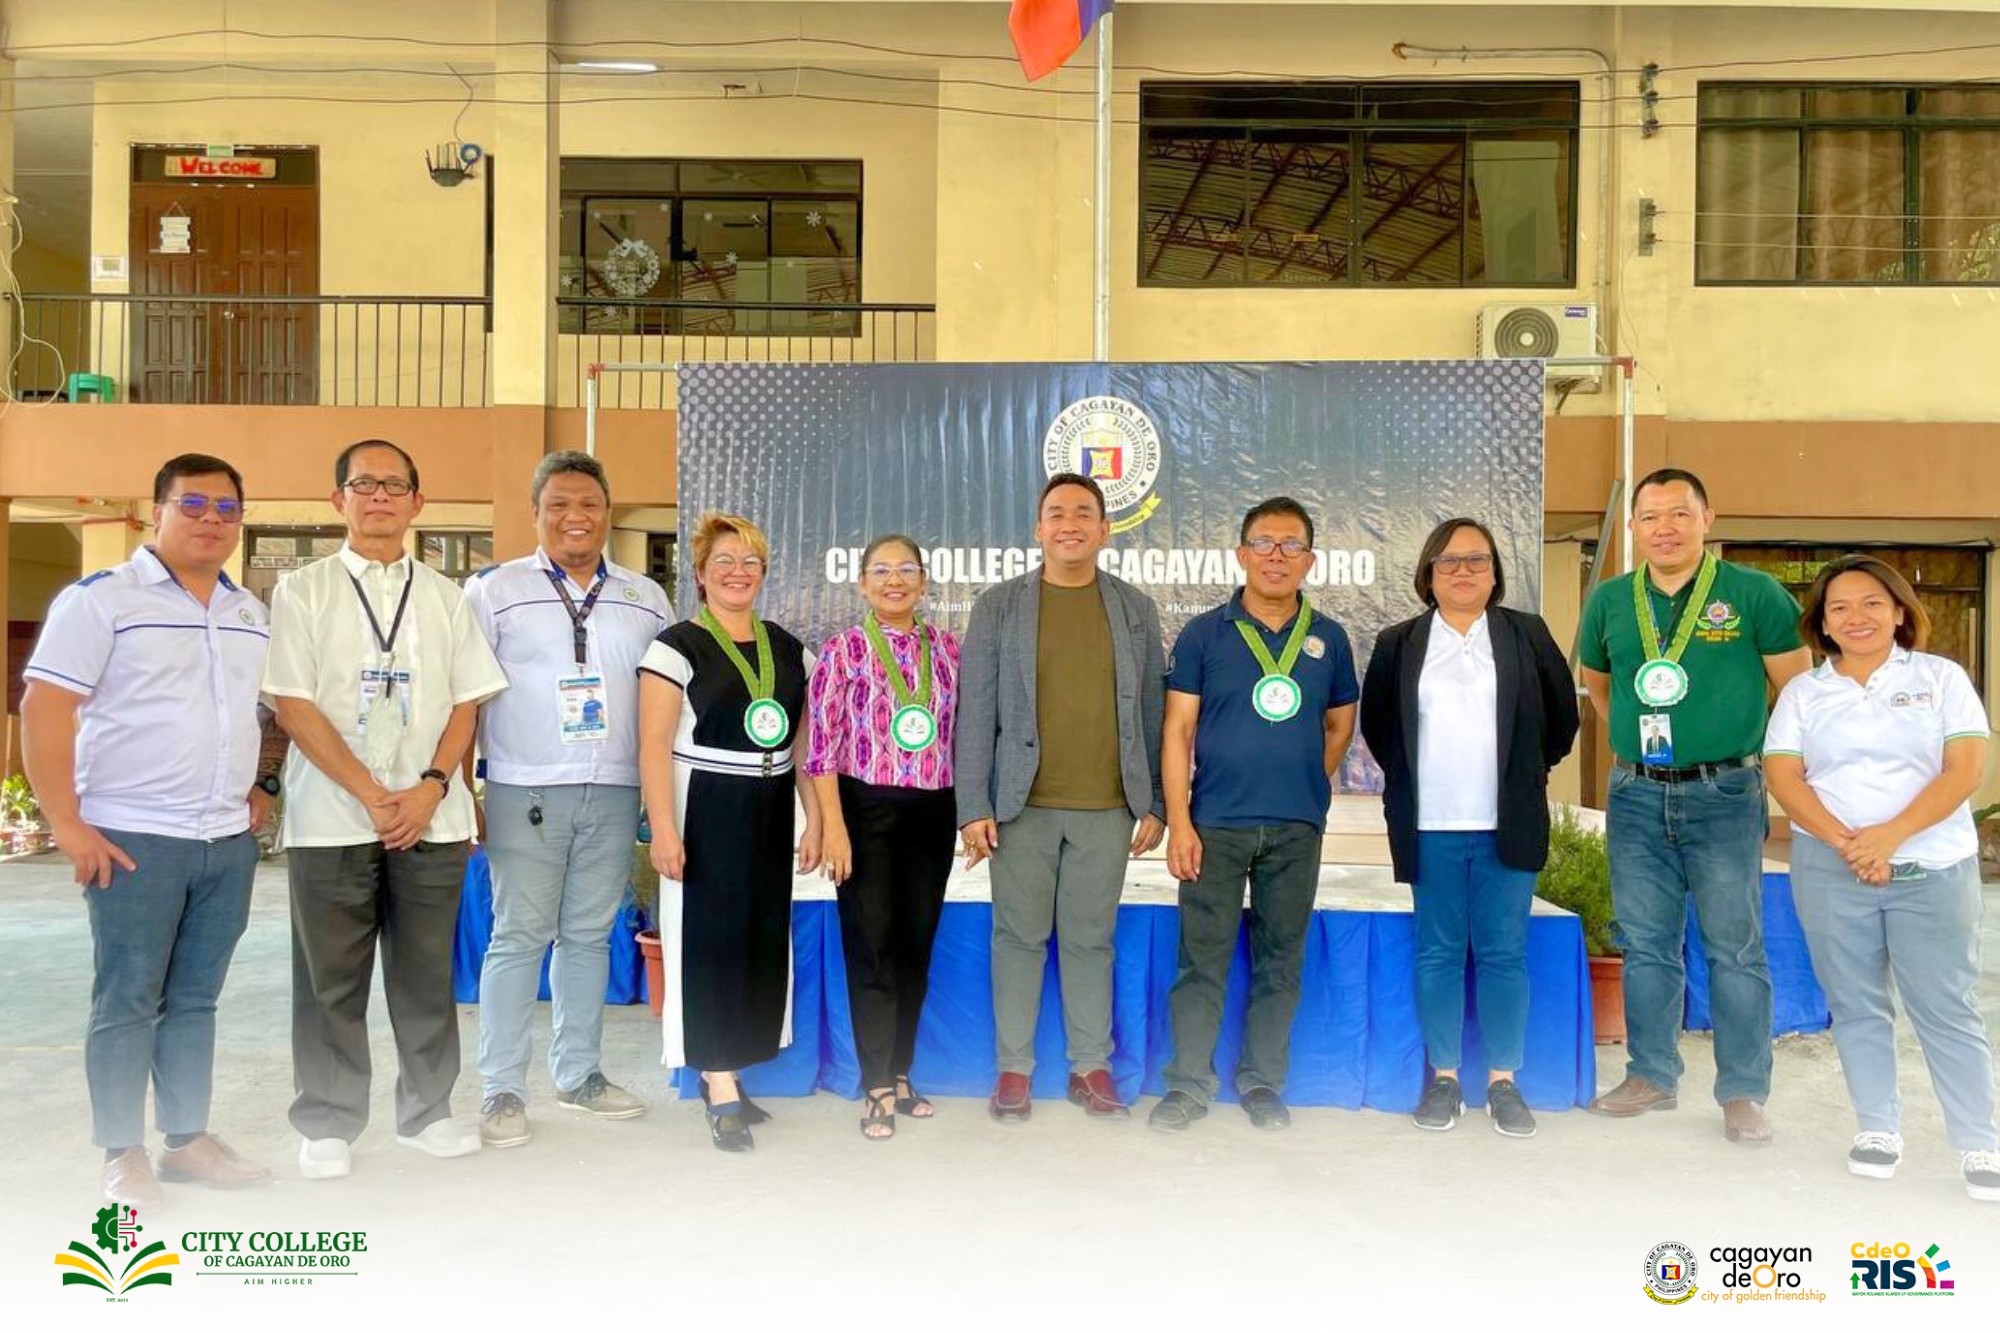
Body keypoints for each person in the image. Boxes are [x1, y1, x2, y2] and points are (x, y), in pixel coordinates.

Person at [23, 454, 278, 1207]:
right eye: (192, 504)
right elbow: (45, 708)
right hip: (133, 838)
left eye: (227, 508)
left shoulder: (247, 612)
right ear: (157, 510)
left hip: (225, 841)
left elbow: (259, 712)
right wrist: (66, 823)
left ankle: (187, 1139)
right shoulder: (103, 600)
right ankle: (121, 1152)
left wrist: (259, 784)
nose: (211, 520)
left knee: (195, 999)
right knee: (128, 998)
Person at [263, 439, 508, 1179]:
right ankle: (328, 1121)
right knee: (328, 979)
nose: (379, 497)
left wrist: (432, 787)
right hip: (333, 817)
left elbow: (467, 701)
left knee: (425, 974)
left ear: (417, 502)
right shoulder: (302, 590)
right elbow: (292, 704)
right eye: (364, 484)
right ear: (338, 499)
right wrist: (372, 793)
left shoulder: (445, 595)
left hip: (431, 819)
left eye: (394, 485)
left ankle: (428, 1112)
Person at [1577, 467, 1810, 1142]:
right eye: (1650, 517)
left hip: (1726, 793)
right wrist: (1644, 750)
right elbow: (1601, 687)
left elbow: (1798, 694)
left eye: (1679, 513)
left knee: (1734, 947)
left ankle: (1742, 1091)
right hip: (1636, 794)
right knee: (1645, 942)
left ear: (1707, 519)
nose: (1665, 528)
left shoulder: (1753, 594)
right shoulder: (1611, 599)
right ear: (1633, 527)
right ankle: (1651, 1075)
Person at [1762, 555, 2000, 1201]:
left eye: (1871, 602)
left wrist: (1889, 836)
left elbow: (1964, 770)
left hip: (1932, 867)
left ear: (1899, 610)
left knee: (1945, 1005)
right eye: (1839, 607)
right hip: (1832, 867)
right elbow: (1784, 776)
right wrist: (1851, 844)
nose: (1856, 617)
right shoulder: (1806, 692)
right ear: (1823, 624)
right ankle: (1877, 1127)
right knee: (1856, 1002)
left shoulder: (1940, 677)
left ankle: (1979, 1140)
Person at [464, 451, 672, 1148]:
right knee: (518, 935)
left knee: (587, 934)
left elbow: (667, 700)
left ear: (608, 514)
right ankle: (501, 1088)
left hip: (614, 787)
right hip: (525, 785)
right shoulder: (494, 591)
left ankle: (579, 1074)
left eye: (589, 504)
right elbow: (464, 698)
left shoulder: (646, 596)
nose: (574, 517)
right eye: (558, 504)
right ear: (535, 513)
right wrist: (461, 788)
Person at [955, 472, 1167, 1122]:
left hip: (1108, 808)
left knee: (1090, 941)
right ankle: (1013, 1070)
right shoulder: (1000, 606)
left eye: (1082, 512)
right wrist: (973, 805)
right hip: (1021, 807)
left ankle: (1090, 1067)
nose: (1069, 523)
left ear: (1105, 529)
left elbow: (1153, 710)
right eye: (1056, 512)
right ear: (1038, 528)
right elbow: (975, 711)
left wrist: (1157, 800)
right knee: (1018, 938)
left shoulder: (1135, 609)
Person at [1359, 517, 1579, 1138]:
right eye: (1449, 561)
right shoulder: (1399, 642)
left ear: (1495, 572)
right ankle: (1446, 1080)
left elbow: (1561, 719)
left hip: (1506, 823)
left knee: (1504, 952)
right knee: (1438, 952)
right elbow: (1380, 727)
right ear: (1428, 573)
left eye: (1476, 560)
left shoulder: (1526, 634)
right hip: (1430, 824)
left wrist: (1523, 773)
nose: (1463, 571)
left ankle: (1504, 1083)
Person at [1151, 498, 1358, 1133]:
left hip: (1296, 828)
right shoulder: (1204, 634)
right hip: (1214, 824)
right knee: (1201, 960)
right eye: (1264, 544)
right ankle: (1187, 1085)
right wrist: (1180, 823)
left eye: (1291, 545)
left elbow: (1339, 727)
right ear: (1242, 555)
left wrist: (1302, 785)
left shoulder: (1330, 639)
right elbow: (1177, 731)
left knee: (1280, 961)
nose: (1276, 556)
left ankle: (1263, 1082)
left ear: (1310, 561)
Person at [637, 512, 822, 1152]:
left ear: (764, 573)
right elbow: (653, 746)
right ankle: (715, 1080)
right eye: (724, 561)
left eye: (750, 562)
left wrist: (816, 818)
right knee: (709, 942)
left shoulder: (789, 649)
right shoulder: (675, 648)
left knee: (756, 941)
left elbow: (805, 745)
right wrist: (663, 830)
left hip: (771, 804)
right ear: (700, 573)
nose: (737, 572)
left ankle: (733, 1070)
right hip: (704, 804)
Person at [806, 535, 961, 1140]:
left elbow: (964, 735)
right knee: (871, 945)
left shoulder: (948, 649)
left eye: (906, 570)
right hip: (864, 810)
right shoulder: (842, 651)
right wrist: (835, 828)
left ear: (924, 581)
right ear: (862, 584)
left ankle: (899, 1072)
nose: (894, 580)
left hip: (933, 810)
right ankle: (874, 1083)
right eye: (881, 570)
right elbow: (821, 749)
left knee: (914, 946)